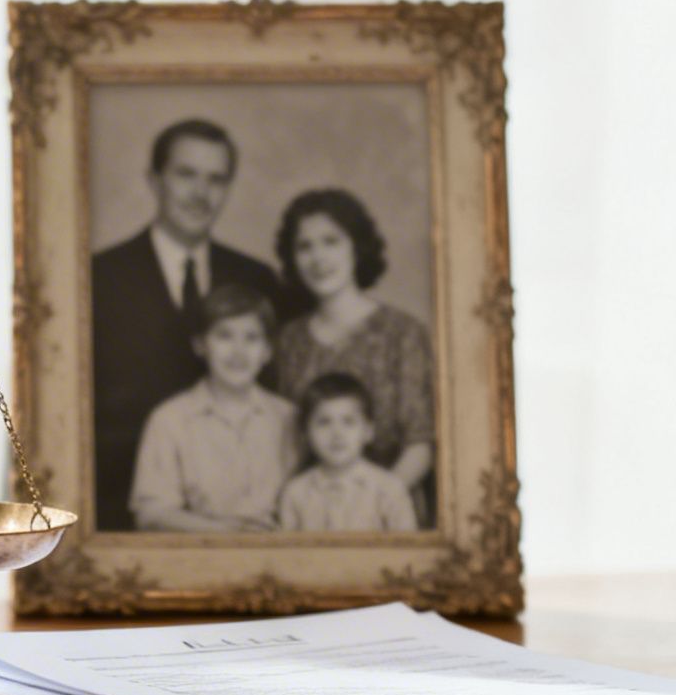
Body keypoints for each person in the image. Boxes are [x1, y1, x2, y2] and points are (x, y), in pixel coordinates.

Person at [92, 119, 283, 531]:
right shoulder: (98, 278)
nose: (201, 193)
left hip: (247, 519)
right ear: (154, 179)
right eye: (186, 175)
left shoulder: (257, 279)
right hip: (118, 518)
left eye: (216, 179)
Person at [270, 187, 436, 527]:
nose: (318, 258)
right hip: (310, 515)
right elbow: (286, 443)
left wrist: (370, 504)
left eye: (331, 241)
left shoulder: (402, 333)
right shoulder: (288, 340)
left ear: (357, 248)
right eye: (305, 246)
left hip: (389, 515)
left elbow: (421, 442)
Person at [128, 284, 295, 532]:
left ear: (267, 351)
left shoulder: (289, 417)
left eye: (251, 337)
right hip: (199, 557)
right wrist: (228, 533)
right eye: (224, 335)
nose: (238, 351)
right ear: (200, 345)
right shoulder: (169, 420)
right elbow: (151, 514)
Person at [277, 373, 417, 532]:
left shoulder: (390, 490)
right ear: (306, 434)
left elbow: (408, 552)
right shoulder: (295, 494)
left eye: (348, 422)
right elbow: (287, 553)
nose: (337, 433)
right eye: (324, 422)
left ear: (368, 431)